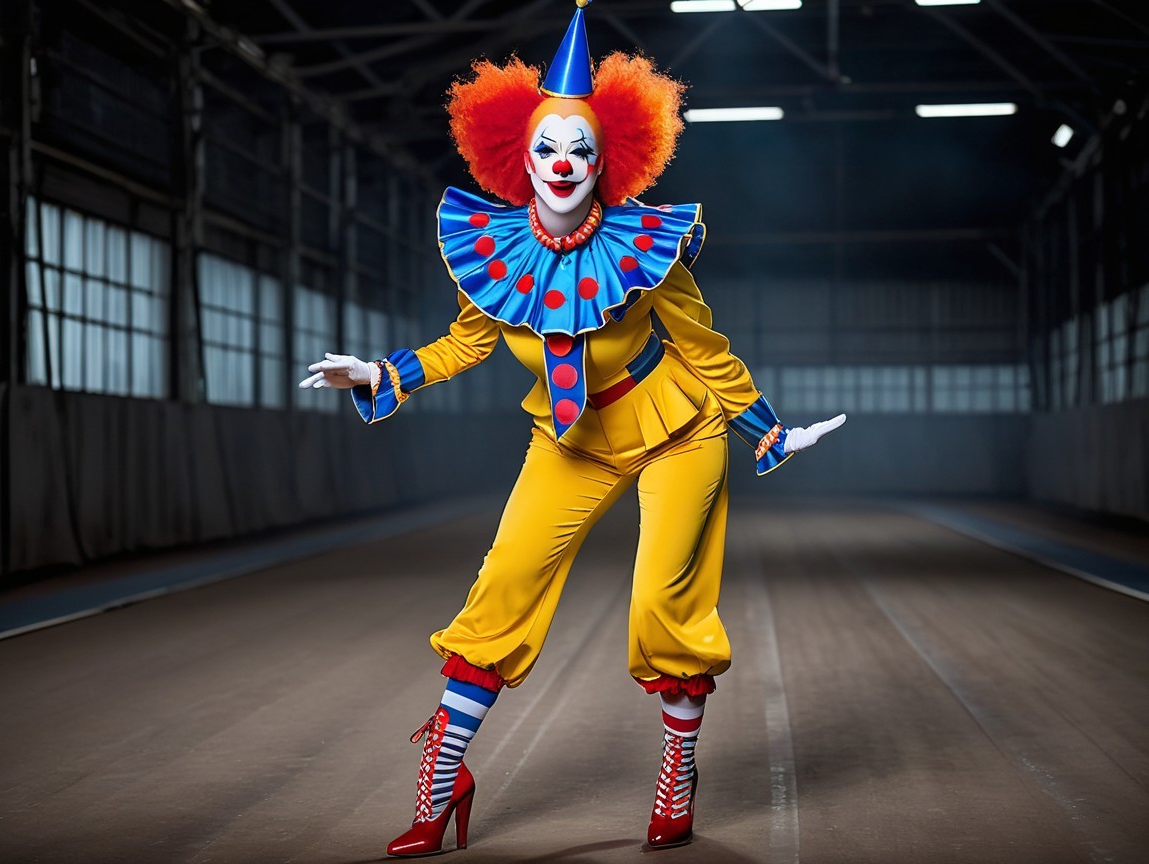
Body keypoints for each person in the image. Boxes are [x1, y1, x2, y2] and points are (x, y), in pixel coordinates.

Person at [300, 1, 845, 856]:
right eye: (547, 147)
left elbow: (707, 350)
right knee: (502, 584)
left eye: (580, 148)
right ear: (518, 156)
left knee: (663, 603)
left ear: (608, 159)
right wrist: (382, 373)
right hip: (569, 438)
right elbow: (466, 341)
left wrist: (768, 430)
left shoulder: (645, 247)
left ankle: (678, 769)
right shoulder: (493, 248)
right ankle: (445, 777)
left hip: (677, 427)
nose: (563, 162)